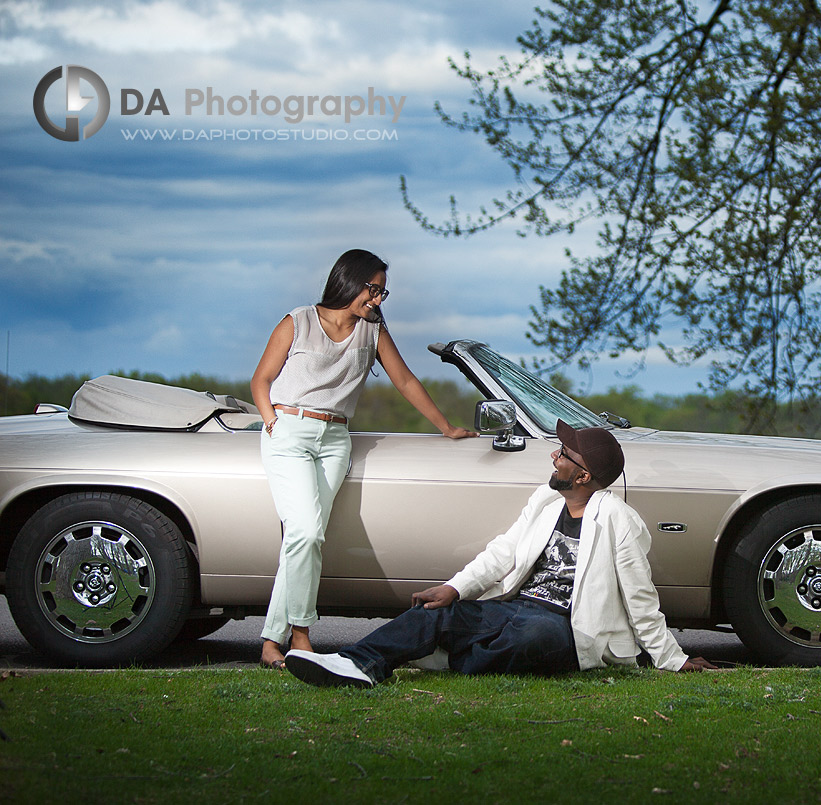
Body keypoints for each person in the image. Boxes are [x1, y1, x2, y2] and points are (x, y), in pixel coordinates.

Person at [285, 420, 716, 686]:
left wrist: (671, 659)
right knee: (436, 611)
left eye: (563, 455)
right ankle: (355, 665)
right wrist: (455, 588)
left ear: (583, 475)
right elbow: (504, 552)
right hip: (515, 606)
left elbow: (641, 598)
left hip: (564, 624)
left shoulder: (620, 520)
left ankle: (441, 655)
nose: (554, 456)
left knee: (536, 638)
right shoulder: (545, 502)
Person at [251, 249, 476, 670]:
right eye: (373, 289)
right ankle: (300, 636)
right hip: (289, 431)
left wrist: (446, 427)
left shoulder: (373, 332)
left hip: (336, 439)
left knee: (305, 537)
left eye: (382, 292)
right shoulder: (297, 321)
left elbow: (405, 380)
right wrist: (270, 423)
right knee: (305, 533)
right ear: (348, 281)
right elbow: (261, 379)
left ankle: (269, 643)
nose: (377, 299)